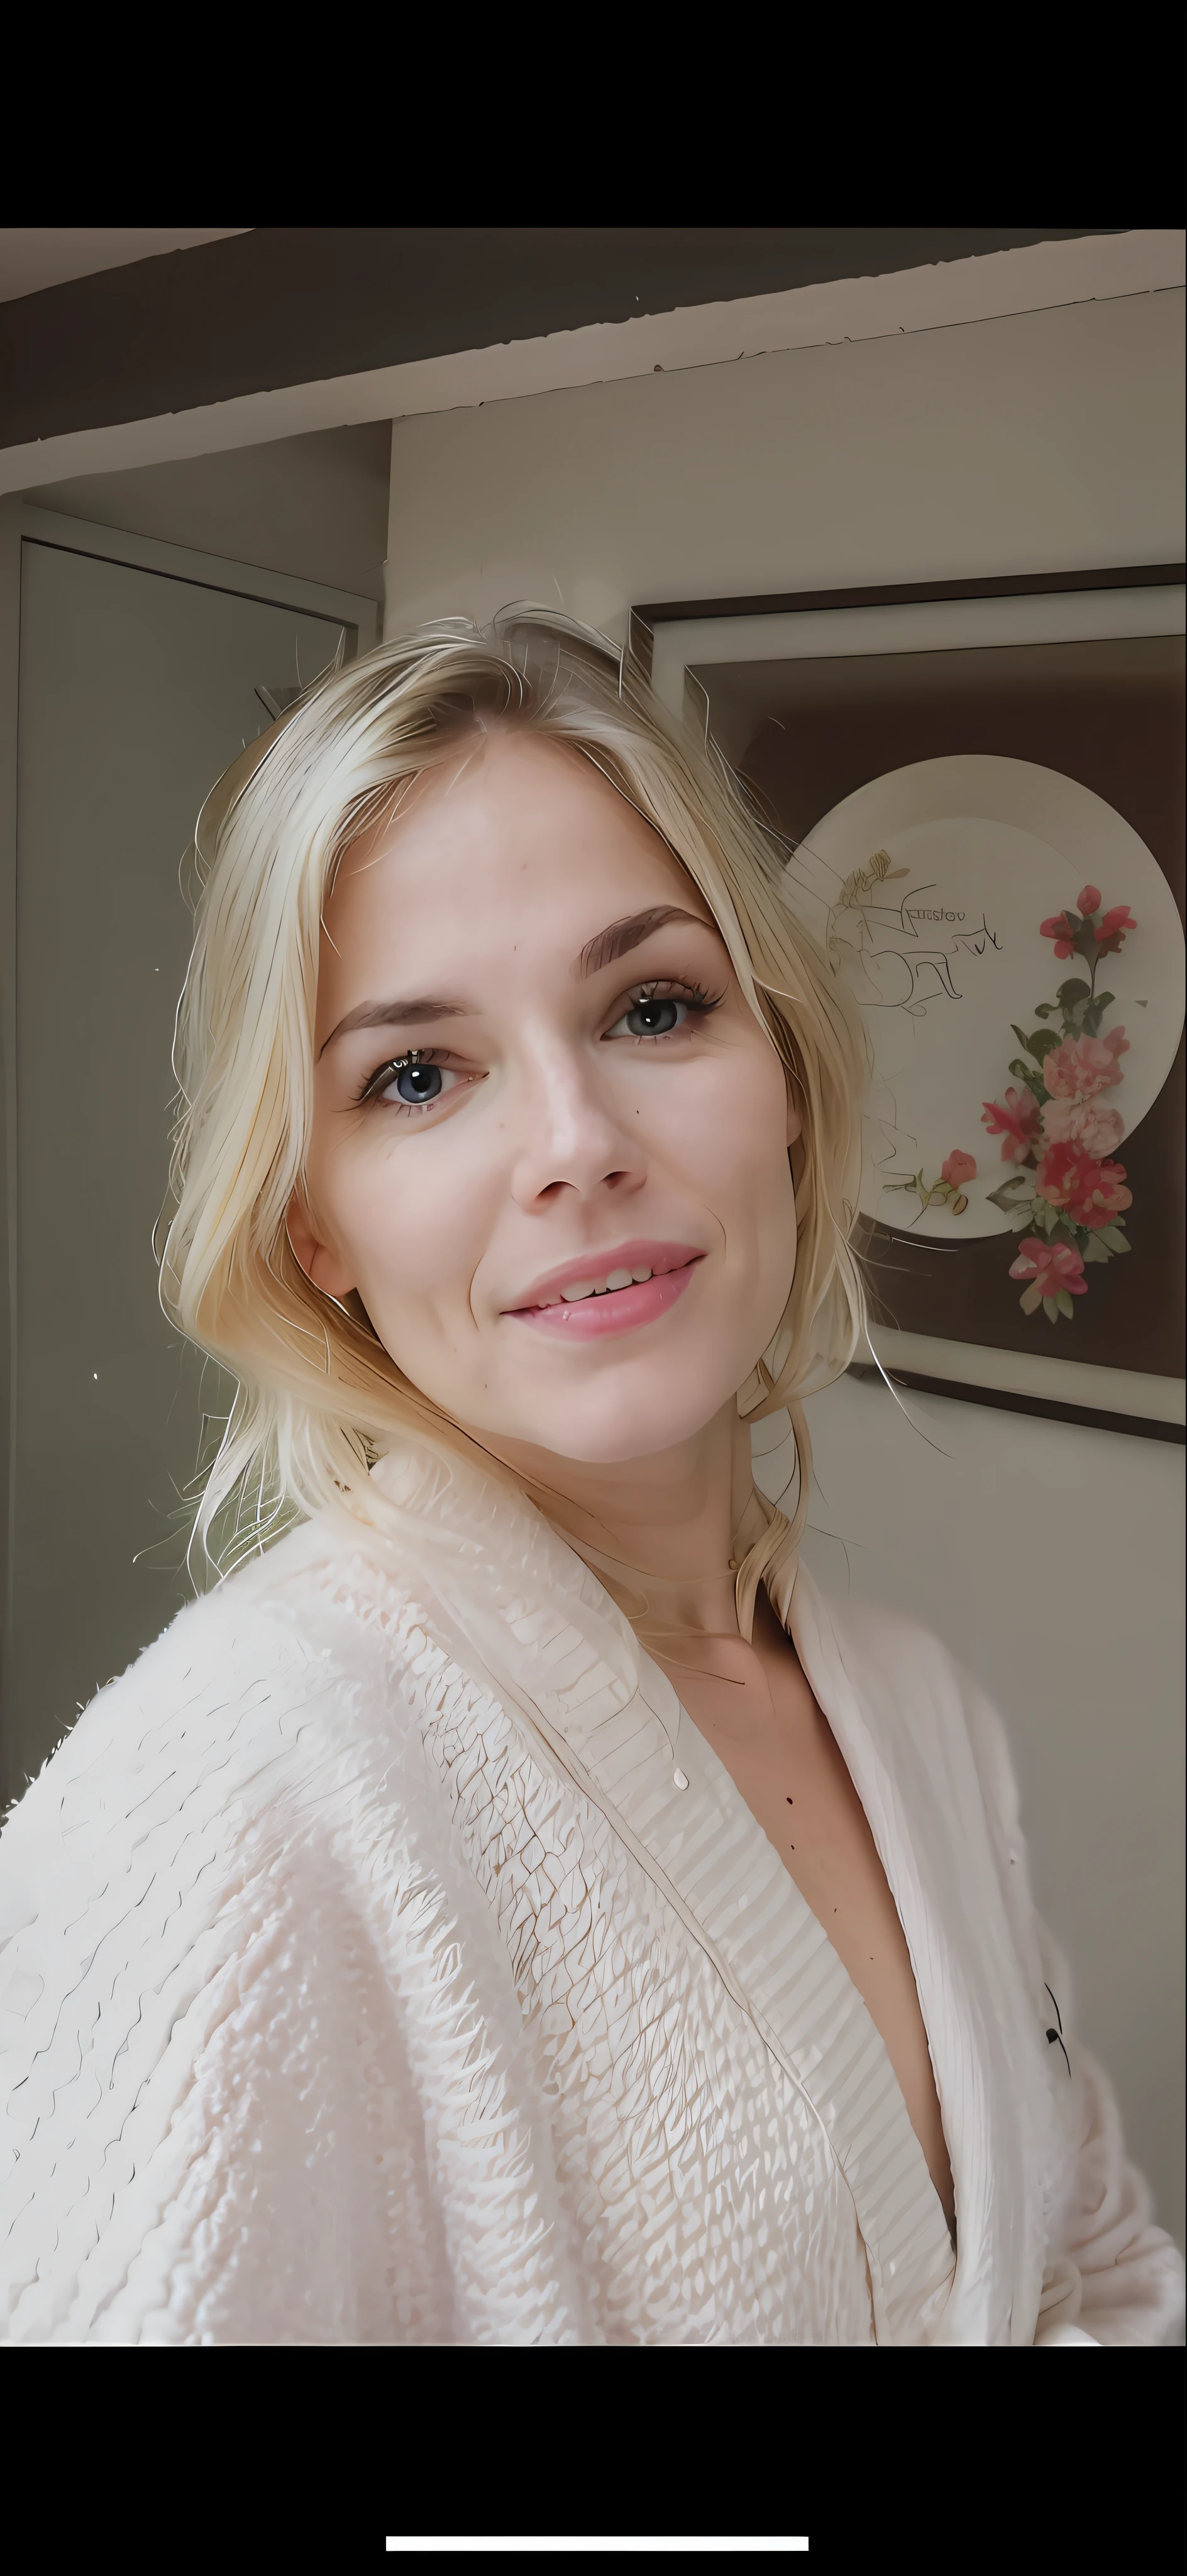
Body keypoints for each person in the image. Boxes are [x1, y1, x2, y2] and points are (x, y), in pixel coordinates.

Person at [1, 613, 1180, 2346]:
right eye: (417, 1073)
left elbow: (1091, 2265)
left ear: (776, 1074)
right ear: (311, 1217)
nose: (575, 1144)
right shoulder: (224, 1803)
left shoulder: (913, 1708)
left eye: (652, 1006)